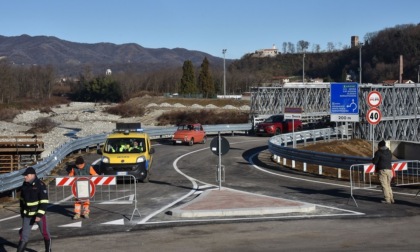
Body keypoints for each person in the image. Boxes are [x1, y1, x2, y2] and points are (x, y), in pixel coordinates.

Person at [18, 167, 52, 252]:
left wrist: (39, 215)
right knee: (24, 236)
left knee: (45, 233)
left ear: (33, 175)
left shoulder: (40, 185)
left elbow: (44, 201)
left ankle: (48, 250)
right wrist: (22, 212)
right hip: (27, 215)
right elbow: (22, 200)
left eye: (26, 175)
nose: (24, 177)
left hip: (38, 215)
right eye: (24, 175)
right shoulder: (24, 185)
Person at [372, 140, 394, 204]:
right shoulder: (389, 152)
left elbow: (374, 161)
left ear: (380, 146)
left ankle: (387, 199)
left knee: (384, 185)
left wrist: (373, 159)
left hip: (382, 170)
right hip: (389, 170)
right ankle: (391, 198)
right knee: (388, 185)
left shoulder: (378, 152)